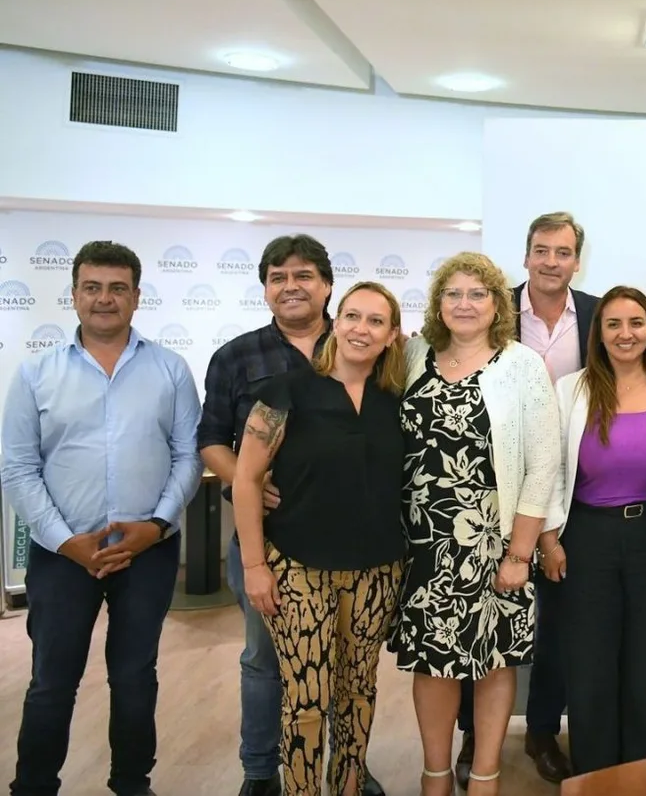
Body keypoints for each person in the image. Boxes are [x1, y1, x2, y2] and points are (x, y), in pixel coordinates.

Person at [2, 240, 202, 796]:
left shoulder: (170, 369)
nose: (104, 299)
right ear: (74, 295)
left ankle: (131, 782)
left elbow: (188, 456)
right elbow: (18, 467)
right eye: (92, 287)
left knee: (135, 677)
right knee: (51, 682)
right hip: (62, 555)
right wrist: (67, 542)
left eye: (118, 288)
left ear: (137, 297)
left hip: (149, 551)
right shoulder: (36, 373)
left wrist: (157, 526)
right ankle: (34, 785)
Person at [198, 234, 390, 796]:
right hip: (278, 550)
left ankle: (350, 772)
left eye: (303, 275)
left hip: (365, 557)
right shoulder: (239, 357)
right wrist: (250, 484)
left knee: (354, 675)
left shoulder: (376, 365)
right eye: (278, 277)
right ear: (265, 289)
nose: (291, 287)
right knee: (268, 663)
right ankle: (263, 772)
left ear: (327, 285)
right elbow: (211, 440)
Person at [391, 253, 561, 796]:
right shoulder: (413, 354)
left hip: (493, 543)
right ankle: (435, 775)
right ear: (439, 303)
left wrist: (519, 554)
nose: (464, 304)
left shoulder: (522, 365)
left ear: (497, 305)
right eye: (453, 294)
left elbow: (543, 465)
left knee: (493, 659)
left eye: (477, 294)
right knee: (433, 662)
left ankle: (485, 773)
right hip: (421, 544)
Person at [232, 282, 408, 796]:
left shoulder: (396, 400)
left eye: (376, 321)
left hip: (376, 570)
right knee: (306, 699)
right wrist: (253, 566)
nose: (362, 328)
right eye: (353, 316)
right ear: (336, 322)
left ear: (392, 335)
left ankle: (349, 787)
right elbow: (246, 480)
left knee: (358, 694)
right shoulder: (284, 392)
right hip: (297, 567)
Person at [544, 286, 646, 774]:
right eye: (613, 324)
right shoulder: (570, 389)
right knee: (591, 669)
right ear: (599, 332)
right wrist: (550, 538)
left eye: (636, 323)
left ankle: (643, 776)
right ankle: (594, 776)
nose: (625, 333)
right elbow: (550, 468)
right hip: (586, 540)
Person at [457, 212, 596, 786]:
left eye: (562, 252)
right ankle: (471, 740)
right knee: (478, 623)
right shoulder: (492, 310)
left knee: (558, 627)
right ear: (526, 255)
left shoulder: (592, 316)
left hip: (573, 497)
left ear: (576, 261)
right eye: (541, 250)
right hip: (492, 497)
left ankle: (542, 731)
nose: (551, 261)